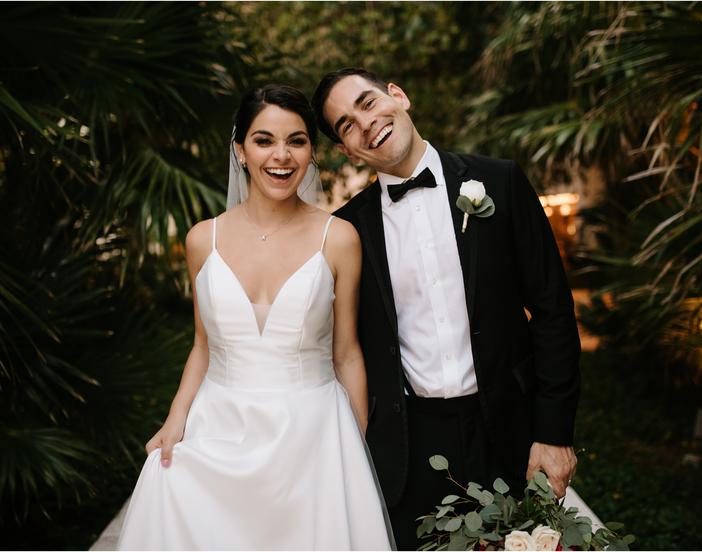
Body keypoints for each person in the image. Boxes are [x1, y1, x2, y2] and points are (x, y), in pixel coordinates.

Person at [311, 68, 581, 550]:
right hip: (409, 448)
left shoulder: (500, 181)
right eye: (346, 125)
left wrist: (555, 434)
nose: (366, 124)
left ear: (398, 96)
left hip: (509, 430)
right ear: (346, 150)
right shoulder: (347, 229)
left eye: (368, 103)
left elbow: (552, 310)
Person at [117, 84, 394, 550]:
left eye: (297, 140)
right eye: (264, 140)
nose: (281, 156)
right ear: (240, 150)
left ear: (311, 152)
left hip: (314, 437)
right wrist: (175, 417)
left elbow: (346, 352)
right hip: (218, 432)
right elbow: (203, 346)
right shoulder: (202, 240)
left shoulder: (339, 237)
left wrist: (356, 449)